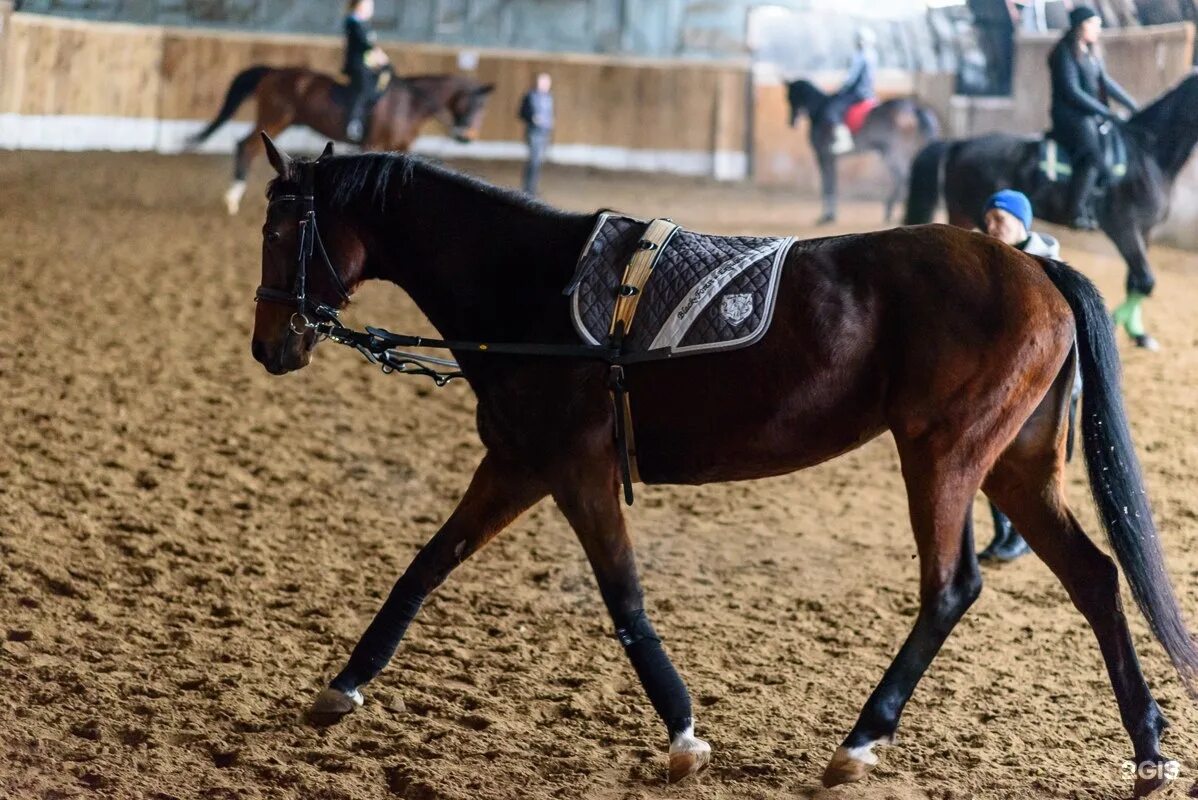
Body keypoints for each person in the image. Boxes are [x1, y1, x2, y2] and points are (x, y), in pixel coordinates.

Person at [977, 190, 1071, 562]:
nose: (992, 227)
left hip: (1047, 385)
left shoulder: (1050, 267)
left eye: (1000, 220)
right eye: (989, 220)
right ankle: (1004, 532)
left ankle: (1022, 534)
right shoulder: (983, 258)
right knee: (990, 454)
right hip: (1000, 380)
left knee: (1030, 462)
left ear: (1022, 223)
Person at [1048, 6, 1138, 230]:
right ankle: (1075, 210)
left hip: (1088, 115)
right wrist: (1105, 112)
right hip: (1070, 117)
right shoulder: (1064, 52)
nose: (1098, 29)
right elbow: (1071, 91)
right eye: (1094, 24)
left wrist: (1132, 104)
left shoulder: (1091, 52)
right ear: (1081, 26)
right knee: (1092, 157)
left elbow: (1105, 82)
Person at [824, 29, 878, 156]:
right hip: (869, 93)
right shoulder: (873, 54)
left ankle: (844, 140)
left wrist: (841, 90)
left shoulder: (859, 56)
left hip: (857, 94)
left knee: (832, 110)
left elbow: (851, 78)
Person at [343, 0, 390, 144]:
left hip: (367, 65)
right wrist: (378, 55)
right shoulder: (353, 22)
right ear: (358, 5)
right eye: (368, 4)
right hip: (357, 66)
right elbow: (366, 44)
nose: (371, 8)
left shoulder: (365, 24)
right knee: (363, 89)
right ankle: (353, 123)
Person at [967, 0, 1022, 95]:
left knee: (1003, 61)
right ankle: (995, 89)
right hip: (982, 18)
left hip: (999, 21)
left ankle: (1003, 91)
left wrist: (1012, 9)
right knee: (991, 62)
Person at [518, 73, 555, 196]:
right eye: (542, 82)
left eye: (546, 83)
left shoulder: (549, 97)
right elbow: (521, 113)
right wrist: (532, 118)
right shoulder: (530, 96)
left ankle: (531, 187)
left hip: (545, 132)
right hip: (533, 131)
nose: (544, 85)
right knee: (534, 161)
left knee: (538, 161)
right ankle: (528, 188)